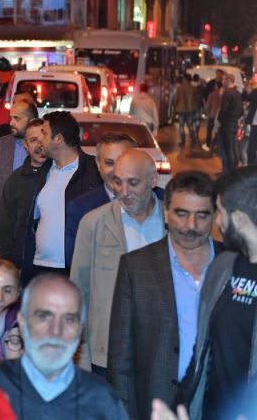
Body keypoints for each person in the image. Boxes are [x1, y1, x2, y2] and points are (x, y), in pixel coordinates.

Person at [108, 171, 219, 420]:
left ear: (215, 216)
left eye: (202, 216)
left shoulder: (234, 265)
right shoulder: (136, 267)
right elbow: (120, 359)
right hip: (156, 404)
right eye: (182, 214)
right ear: (166, 214)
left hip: (220, 405)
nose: (191, 226)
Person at [71, 149, 165, 376]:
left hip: (159, 352)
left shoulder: (172, 223)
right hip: (107, 354)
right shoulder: (93, 223)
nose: (124, 192)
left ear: (154, 179)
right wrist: (81, 360)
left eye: (133, 183)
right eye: (117, 182)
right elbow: (78, 293)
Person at [173, 167, 257, 419]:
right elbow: (201, 351)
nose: (217, 222)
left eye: (219, 211)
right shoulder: (223, 266)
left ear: (240, 219)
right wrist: (180, 406)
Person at [0, 274, 128, 419]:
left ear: (81, 330)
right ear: (22, 321)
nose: (56, 331)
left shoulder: (102, 400)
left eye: (69, 320)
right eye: (44, 317)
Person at [22, 111, 102, 281]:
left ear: (58, 139)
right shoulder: (44, 171)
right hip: (39, 267)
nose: (39, 139)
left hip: (73, 270)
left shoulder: (92, 171)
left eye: (43, 133)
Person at [64, 132, 137, 266]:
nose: (117, 170)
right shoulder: (80, 209)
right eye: (109, 163)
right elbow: (77, 264)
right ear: (98, 164)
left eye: (124, 162)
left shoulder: (161, 202)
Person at [0, 119, 46, 264]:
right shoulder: (15, 180)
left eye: (43, 139)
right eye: (34, 140)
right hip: (21, 259)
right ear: (25, 146)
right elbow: (4, 227)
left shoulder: (59, 176)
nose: (39, 145)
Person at [0, 101, 39, 203]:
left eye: (17, 118)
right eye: (11, 118)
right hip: (3, 209)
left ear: (32, 121)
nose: (11, 123)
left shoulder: (43, 146)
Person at [217, 73, 243, 172]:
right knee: (234, 149)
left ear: (228, 81)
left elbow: (223, 110)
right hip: (234, 124)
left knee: (228, 150)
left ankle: (229, 172)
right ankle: (235, 170)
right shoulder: (238, 93)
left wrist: (221, 120)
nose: (222, 81)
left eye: (224, 80)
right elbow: (241, 111)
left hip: (227, 124)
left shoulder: (227, 93)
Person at [173, 74, 199, 148]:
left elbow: (175, 99)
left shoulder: (180, 88)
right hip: (190, 110)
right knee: (190, 125)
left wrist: (175, 105)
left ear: (184, 79)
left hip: (181, 110)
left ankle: (182, 141)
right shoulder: (193, 88)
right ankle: (193, 139)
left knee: (181, 126)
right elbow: (196, 99)